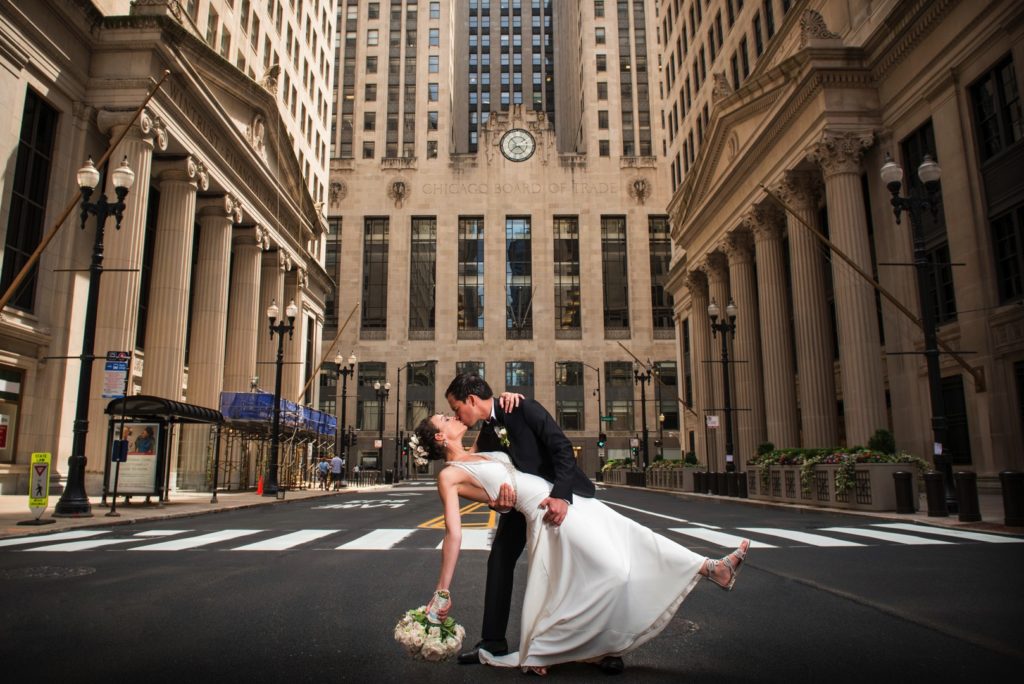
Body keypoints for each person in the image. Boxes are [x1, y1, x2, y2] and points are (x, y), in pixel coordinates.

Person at [413, 414, 749, 676]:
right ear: (440, 437)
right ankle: (556, 649)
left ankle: (712, 568)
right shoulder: (449, 475)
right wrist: (442, 590)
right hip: (549, 514)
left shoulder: (479, 451)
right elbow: (455, 532)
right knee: (612, 570)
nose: (452, 416)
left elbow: (499, 445)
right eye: (444, 418)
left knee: (630, 535)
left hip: (565, 500)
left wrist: (509, 399)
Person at [445, 374, 614, 672]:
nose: (457, 416)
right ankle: (492, 641)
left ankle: (604, 647)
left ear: (471, 399)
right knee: (499, 559)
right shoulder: (486, 434)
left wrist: (562, 496)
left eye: (457, 408)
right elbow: (497, 478)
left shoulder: (523, 407)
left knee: (583, 565)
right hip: (526, 505)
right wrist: (499, 504)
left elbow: (562, 449)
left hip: (560, 497)